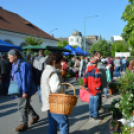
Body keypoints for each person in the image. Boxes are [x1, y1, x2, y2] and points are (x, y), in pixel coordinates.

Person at [8, 49, 39, 132]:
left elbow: (26, 79)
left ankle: (23, 124)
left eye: (9, 56)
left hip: (25, 88)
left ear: (15, 56)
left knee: (21, 106)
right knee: (26, 104)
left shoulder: (24, 65)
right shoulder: (14, 64)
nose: (8, 57)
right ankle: (35, 116)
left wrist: (25, 91)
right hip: (18, 88)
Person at [41, 52, 69, 134]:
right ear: (54, 62)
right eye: (60, 62)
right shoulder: (53, 73)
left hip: (48, 102)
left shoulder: (46, 70)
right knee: (64, 123)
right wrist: (64, 87)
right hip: (55, 102)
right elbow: (56, 88)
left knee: (52, 124)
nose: (61, 64)